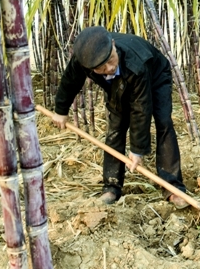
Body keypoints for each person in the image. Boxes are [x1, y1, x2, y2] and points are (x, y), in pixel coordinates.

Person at [52, 26, 188, 208]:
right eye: (101, 68)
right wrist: (61, 110)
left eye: (110, 60)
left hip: (154, 76)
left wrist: (137, 149)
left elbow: (141, 109)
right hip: (118, 82)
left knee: (163, 121)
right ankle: (111, 187)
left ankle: (173, 186)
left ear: (113, 45)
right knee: (116, 125)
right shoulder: (84, 58)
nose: (109, 67)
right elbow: (70, 81)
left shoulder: (137, 63)